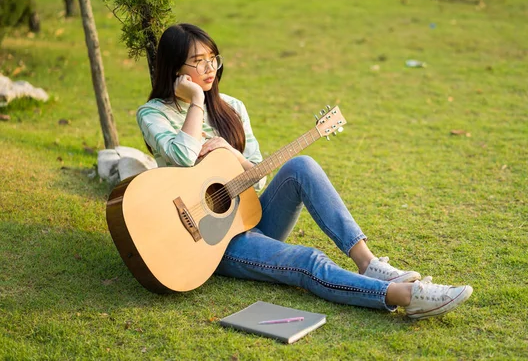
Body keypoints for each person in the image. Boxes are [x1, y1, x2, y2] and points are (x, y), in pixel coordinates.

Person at [136, 23, 473, 319]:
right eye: (198, 62)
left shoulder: (232, 108)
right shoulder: (153, 114)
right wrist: (195, 100)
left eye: (214, 58)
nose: (210, 68)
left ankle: (369, 262)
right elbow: (181, 156)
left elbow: (260, 178)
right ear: (175, 69)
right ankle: (406, 297)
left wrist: (227, 152)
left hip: (248, 218)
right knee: (307, 260)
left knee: (301, 165)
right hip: (208, 247)